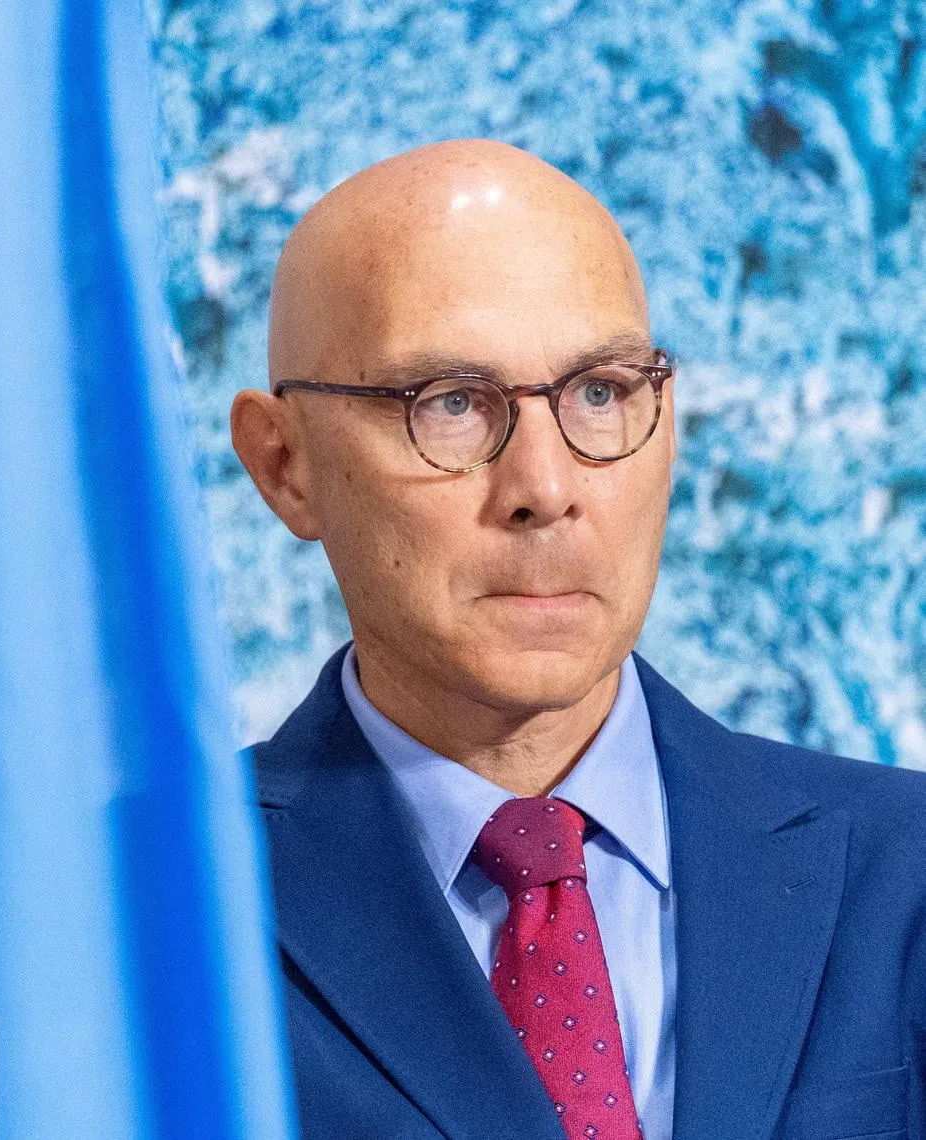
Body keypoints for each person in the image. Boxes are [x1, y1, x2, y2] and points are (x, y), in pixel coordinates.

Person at [229, 139, 926, 1140]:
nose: (547, 491)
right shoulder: (142, 905)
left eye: (601, 393)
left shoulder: (906, 873)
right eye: (454, 406)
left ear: (668, 420)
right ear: (285, 465)